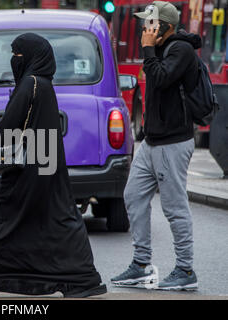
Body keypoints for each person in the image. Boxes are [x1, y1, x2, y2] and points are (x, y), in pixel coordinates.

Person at [0, 33, 106, 298]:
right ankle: (81, 278)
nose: (14, 60)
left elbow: (8, 129)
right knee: (55, 220)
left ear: (31, 57)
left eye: (18, 55)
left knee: (8, 220)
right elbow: (20, 125)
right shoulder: (43, 84)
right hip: (44, 164)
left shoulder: (29, 84)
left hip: (27, 170)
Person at [111, 1, 200, 291]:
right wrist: (151, 50)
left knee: (174, 208)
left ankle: (185, 270)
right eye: (145, 24)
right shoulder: (161, 50)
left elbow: (161, 78)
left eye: (150, 24)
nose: (144, 29)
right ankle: (141, 264)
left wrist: (148, 49)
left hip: (173, 142)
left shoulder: (181, 49)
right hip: (152, 142)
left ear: (166, 27)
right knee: (133, 197)